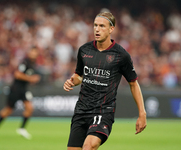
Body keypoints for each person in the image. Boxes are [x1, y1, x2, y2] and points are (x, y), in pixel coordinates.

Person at [63, 12, 147, 150]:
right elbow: (79, 75)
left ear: (111, 29)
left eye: (102, 26)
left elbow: (133, 83)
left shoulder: (121, 55)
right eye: (95, 25)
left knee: (89, 146)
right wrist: (72, 81)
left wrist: (142, 113)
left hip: (103, 111)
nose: (97, 29)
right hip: (81, 110)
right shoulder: (84, 50)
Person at [0, 46, 41, 140]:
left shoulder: (33, 64)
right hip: (16, 89)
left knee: (29, 107)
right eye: (32, 52)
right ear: (29, 52)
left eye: (35, 52)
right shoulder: (25, 62)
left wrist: (35, 79)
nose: (34, 54)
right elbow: (17, 74)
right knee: (8, 110)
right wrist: (31, 78)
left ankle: (21, 128)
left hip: (24, 89)